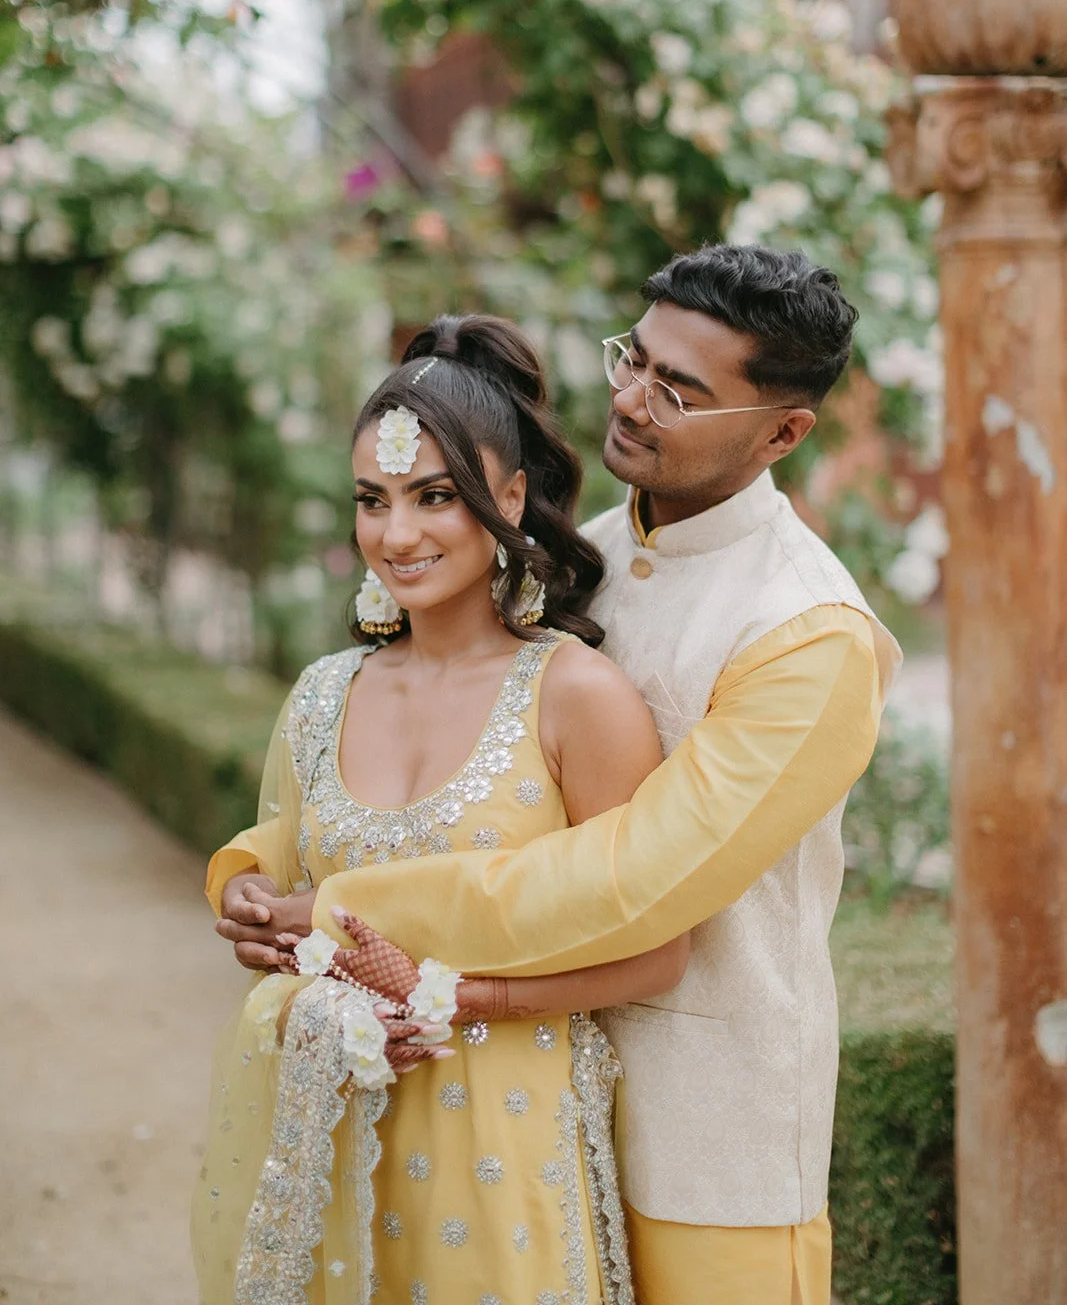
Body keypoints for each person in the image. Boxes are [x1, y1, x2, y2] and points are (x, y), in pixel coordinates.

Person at [220, 244, 902, 1305]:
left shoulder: (806, 635)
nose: (629, 398)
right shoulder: (576, 562)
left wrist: (353, 913)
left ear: (782, 432)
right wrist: (254, 875)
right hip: (511, 1114)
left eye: (677, 390)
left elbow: (634, 873)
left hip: (699, 1134)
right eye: (634, 359)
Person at [193, 315, 689, 1304]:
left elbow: (655, 950)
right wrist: (250, 898)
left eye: (435, 496)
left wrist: (473, 998)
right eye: (371, 501)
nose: (397, 535)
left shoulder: (575, 697)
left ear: (509, 497)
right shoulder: (324, 694)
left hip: (507, 1143)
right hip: (339, 1139)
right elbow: (301, 884)